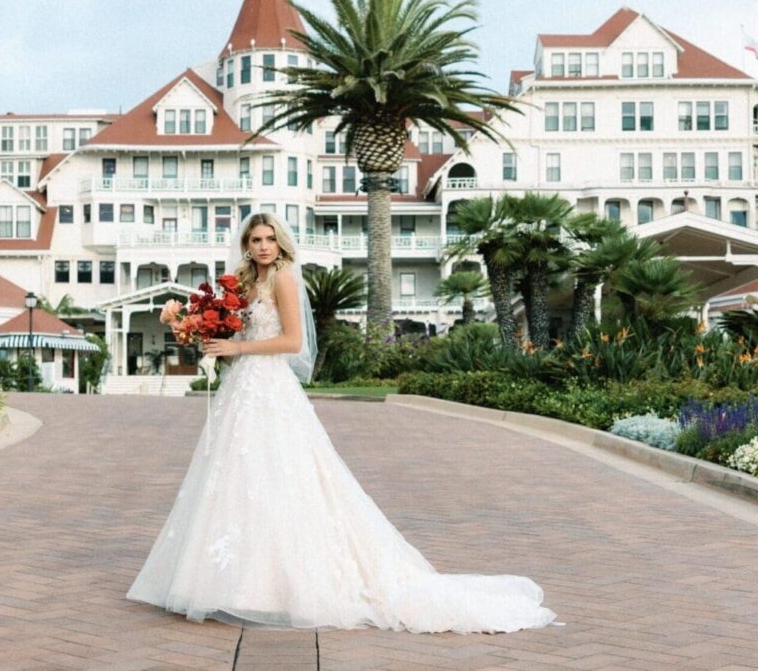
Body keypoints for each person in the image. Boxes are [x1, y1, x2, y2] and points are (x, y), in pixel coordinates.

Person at [125, 212, 557, 634]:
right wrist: (197, 329)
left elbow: (292, 342)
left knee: (282, 477)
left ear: (280, 244)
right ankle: (235, 582)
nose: (261, 246)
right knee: (236, 477)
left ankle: (282, 587)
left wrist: (237, 350)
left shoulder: (285, 280)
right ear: (246, 244)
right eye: (255, 240)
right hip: (240, 390)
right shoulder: (240, 285)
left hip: (270, 387)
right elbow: (235, 334)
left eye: (268, 239)